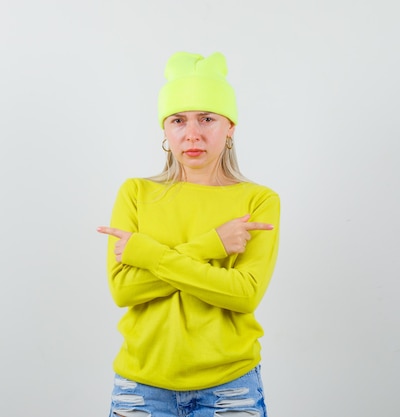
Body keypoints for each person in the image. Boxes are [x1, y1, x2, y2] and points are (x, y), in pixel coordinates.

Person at [97, 51, 280, 417]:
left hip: (230, 388)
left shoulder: (258, 200)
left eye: (207, 118)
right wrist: (211, 245)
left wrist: (147, 254)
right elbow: (124, 290)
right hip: (141, 388)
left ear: (230, 127)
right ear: (165, 129)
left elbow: (243, 295)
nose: (192, 134)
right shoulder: (135, 193)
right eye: (178, 120)